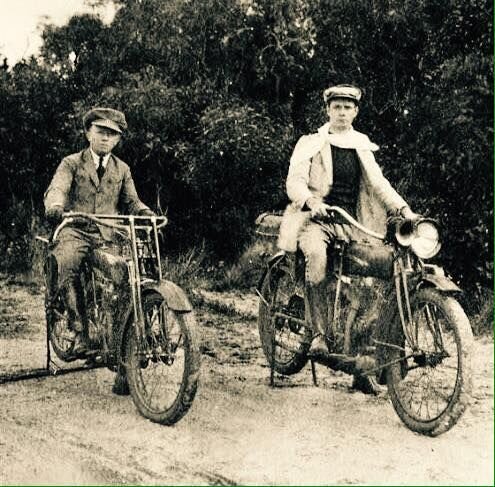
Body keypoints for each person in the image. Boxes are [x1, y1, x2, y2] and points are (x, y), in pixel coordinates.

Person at [277, 84, 418, 392]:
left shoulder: (361, 146)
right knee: (316, 257)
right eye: (336, 107)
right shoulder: (311, 143)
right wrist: (312, 202)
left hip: (353, 224)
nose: (342, 112)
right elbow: (295, 182)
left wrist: (405, 210)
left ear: (356, 111)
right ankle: (317, 335)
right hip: (316, 221)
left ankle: (364, 364)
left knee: (376, 275)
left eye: (347, 107)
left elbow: (380, 186)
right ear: (328, 110)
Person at [44, 107, 154, 395]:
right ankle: (78, 328)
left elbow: (132, 202)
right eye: (100, 131)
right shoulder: (71, 163)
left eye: (112, 134)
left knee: (126, 275)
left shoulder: (122, 169)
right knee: (66, 261)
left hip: (106, 235)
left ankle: (122, 358)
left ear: (118, 140)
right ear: (88, 133)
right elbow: (57, 189)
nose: (106, 138)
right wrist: (55, 207)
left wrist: (146, 213)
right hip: (76, 230)